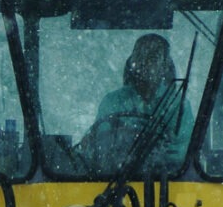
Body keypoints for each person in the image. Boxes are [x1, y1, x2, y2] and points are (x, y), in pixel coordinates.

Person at [82, 33, 193, 169]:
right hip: (113, 182)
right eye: (139, 56)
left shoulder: (177, 105)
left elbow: (182, 154)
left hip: (167, 184)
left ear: (165, 66)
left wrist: (151, 159)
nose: (144, 63)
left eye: (152, 57)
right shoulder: (112, 102)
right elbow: (100, 147)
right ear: (131, 63)